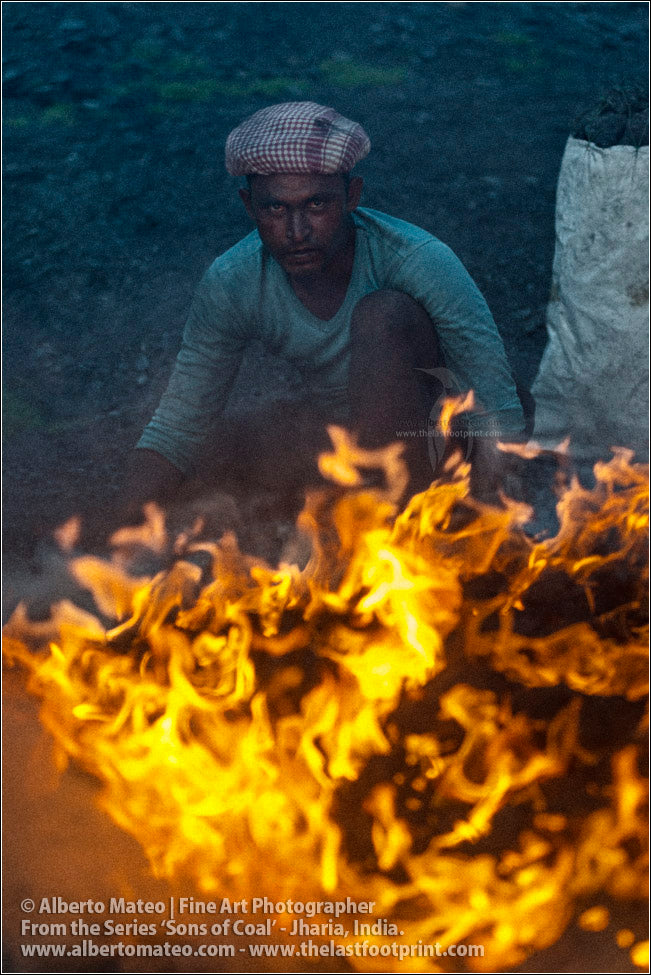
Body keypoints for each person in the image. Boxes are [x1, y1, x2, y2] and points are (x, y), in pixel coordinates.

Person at [125, 101, 526, 515]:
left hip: (444, 446)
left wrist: (496, 516)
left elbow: (497, 407)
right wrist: (111, 535)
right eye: (276, 208)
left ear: (352, 196)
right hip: (346, 442)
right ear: (249, 206)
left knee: (382, 316)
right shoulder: (233, 280)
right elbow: (177, 426)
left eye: (317, 205)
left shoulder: (418, 259)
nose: (297, 232)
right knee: (233, 446)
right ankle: (352, 508)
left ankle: (390, 522)